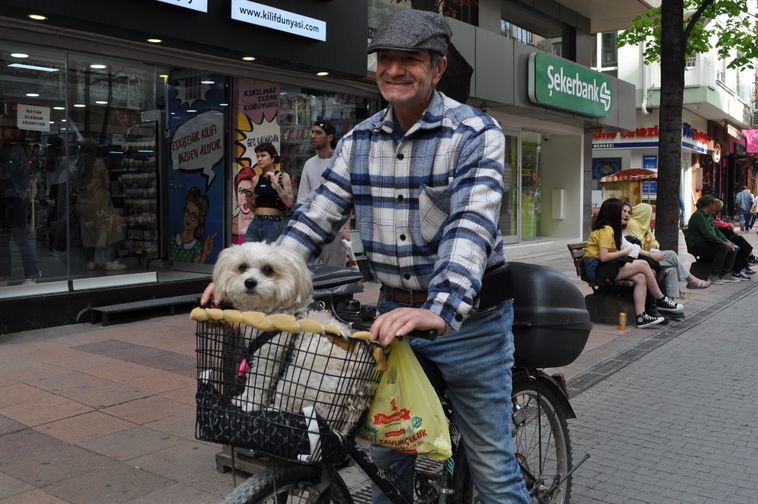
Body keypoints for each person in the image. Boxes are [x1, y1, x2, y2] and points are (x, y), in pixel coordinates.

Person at [204, 9, 530, 502]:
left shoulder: (475, 133)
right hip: (390, 321)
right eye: (386, 59)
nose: (395, 70)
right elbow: (315, 219)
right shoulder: (359, 141)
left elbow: (471, 224)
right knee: (387, 461)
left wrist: (437, 309)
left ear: (437, 68)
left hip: (470, 323)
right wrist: (247, 275)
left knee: (492, 470)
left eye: (410, 59)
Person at [583, 198, 683, 329]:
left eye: (627, 212)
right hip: (596, 268)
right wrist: (624, 253)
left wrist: (645, 253)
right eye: (622, 211)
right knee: (643, 265)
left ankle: (642, 317)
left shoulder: (613, 229)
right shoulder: (606, 230)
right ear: (613, 212)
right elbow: (604, 257)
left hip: (604, 266)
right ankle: (661, 299)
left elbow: (629, 247)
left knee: (641, 277)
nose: (626, 215)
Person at [626, 202, 709, 297]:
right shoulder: (632, 224)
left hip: (649, 254)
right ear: (643, 213)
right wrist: (650, 247)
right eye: (649, 214)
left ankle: (671, 301)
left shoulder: (644, 225)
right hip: (640, 257)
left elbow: (654, 241)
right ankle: (691, 279)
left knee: (672, 269)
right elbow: (638, 245)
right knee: (671, 255)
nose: (650, 217)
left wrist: (654, 246)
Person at [295, 120, 348, 267]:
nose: (313, 136)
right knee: (312, 272)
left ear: (329, 137)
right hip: (312, 226)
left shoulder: (341, 162)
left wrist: (346, 229)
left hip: (335, 227)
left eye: (318, 133)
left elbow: (349, 198)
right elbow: (303, 199)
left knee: (335, 272)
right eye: (312, 132)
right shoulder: (309, 164)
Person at [0, 125, 39, 284]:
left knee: (19, 237)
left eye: (2, 129)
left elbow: (5, 172)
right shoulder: (1, 148)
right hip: (2, 198)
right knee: (2, 239)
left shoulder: (14, 150)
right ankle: (4, 275)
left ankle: (31, 274)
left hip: (13, 198)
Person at [76, 146, 125, 271]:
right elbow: (107, 183)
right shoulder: (99, 164)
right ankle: (110, 261)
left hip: (83, 204)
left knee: (88, 233)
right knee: (111, 230)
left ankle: (90, 261)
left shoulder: (80, 163)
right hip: (99, 203)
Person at [244, 143, 294, 243]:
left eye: (263, 155)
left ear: (273, 158)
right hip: (256, 222)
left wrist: (276, 184)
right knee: (250, 255)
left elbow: (289, 203)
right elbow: (254, 209)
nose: (259, 159)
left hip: (273, 223)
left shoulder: (282, 176)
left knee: (270, 256)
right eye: (257, 156)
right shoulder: (255, 179)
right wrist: (249, 202)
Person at [685, 195, 740, 285]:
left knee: (733, 247)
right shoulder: (698, 216)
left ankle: (726, 274)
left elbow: (716, 231)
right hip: (697, 245)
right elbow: (707, 235)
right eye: (714, 204)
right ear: (709, 205)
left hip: (707, 243)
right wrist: (724, 243)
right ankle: (714, 275)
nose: (716, 206)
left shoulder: (709, 215)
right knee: (723, 248)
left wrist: (727, 241)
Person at [172, 186, 215, 263]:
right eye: (186, 212)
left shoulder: (197, 246)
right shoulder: (173, 239)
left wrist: (205, 252)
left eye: (193, 216)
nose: (188, 218)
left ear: (198, 222)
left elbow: (197, 268)